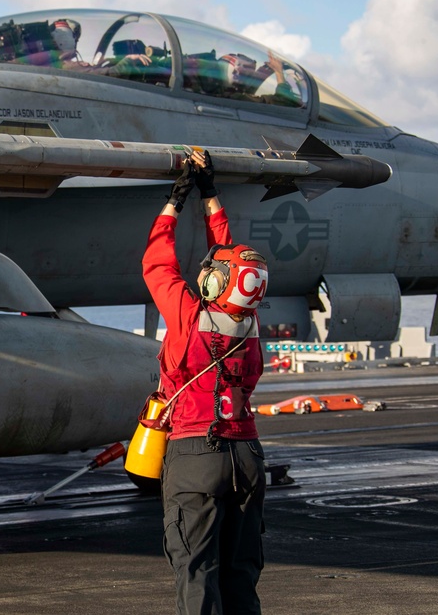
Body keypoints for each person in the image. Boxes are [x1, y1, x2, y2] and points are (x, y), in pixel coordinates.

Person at [141, 149, 268, 614]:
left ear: (214, 284)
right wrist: (212, 196)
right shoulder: (251, 326)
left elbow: (156, 263)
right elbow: (235, 266)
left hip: (196, 454)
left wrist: (176, 200)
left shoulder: (188, 318)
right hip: (248, 457)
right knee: (240, 573)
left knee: (196, 572)